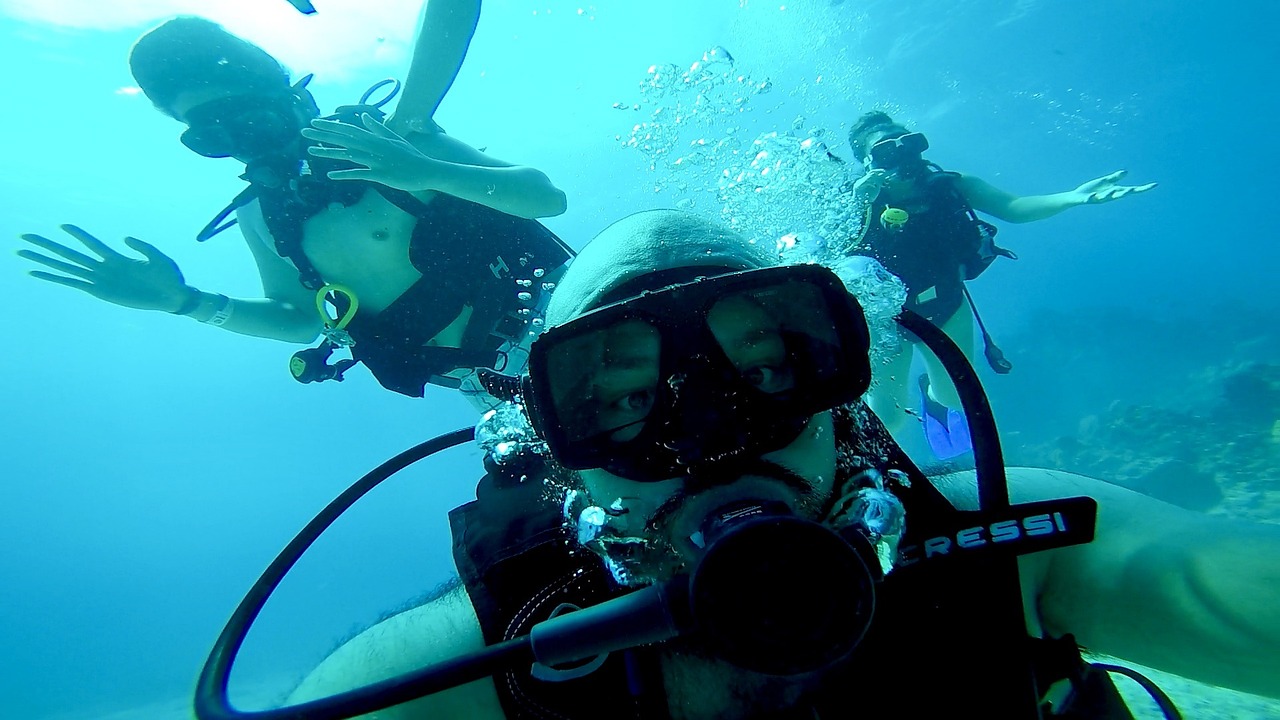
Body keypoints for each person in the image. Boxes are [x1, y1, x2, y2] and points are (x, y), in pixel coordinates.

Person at [271, 209, 1278, 720]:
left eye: (772, 368)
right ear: (554, 454)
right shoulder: (470, 672)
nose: (718, 440)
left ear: (843, 390)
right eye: (620, 401)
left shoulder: (1019, 548)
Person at [17, 2, 571, 408]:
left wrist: (422, 168)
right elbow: (297, 320)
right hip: (485, 389)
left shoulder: (384, 139)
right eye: (212, 136)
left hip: (565, 319)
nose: (245, 142)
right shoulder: (260, 218)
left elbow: (545, 198)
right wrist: (185, 302)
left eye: (251, 120)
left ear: (290, 99)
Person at [843, 111, 1155, 449]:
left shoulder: (950, 187)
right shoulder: (852, 200)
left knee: (953, 398)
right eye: (887, 151)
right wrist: (860, 202)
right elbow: (827, 254)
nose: (903, 156)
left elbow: (1014, 206)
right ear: (866, 162)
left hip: (946, 303)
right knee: (889, 418)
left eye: (910, 145)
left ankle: (932, 397)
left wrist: (1073, 197)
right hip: (882, 319)